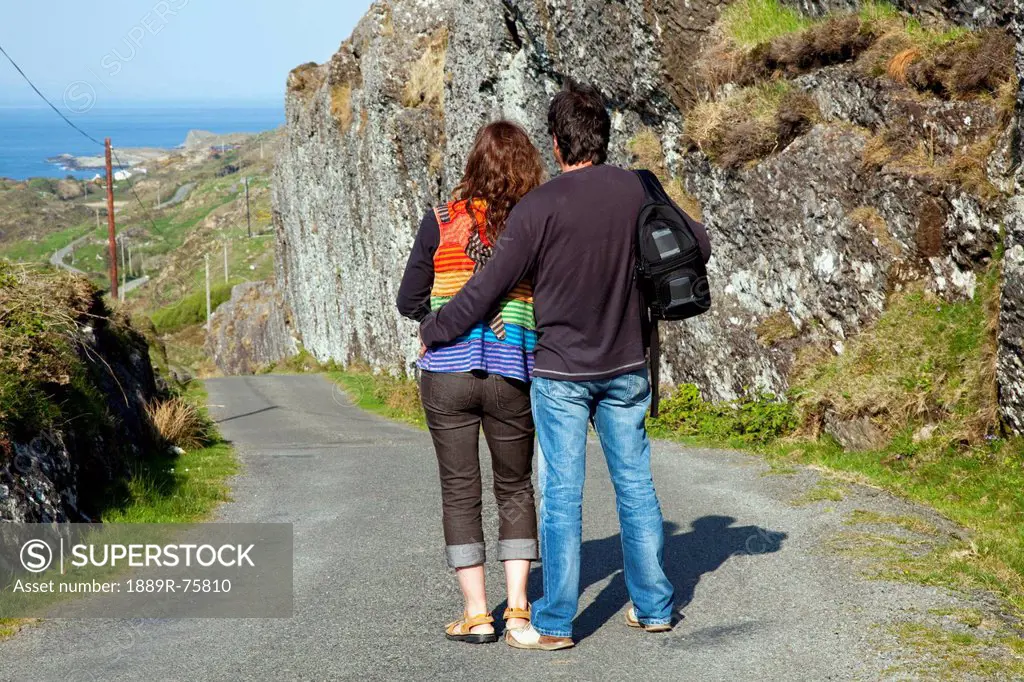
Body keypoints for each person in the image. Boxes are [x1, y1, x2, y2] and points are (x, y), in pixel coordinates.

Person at [420, 80, 711, 650]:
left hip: (559, 373)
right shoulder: (637, 189)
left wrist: (436, 329)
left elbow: (488, 287)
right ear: (603, 136)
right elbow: (695, 242)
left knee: (561, 496)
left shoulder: (539, 207)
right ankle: (653, 606)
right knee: (635, 485)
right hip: (626, 362)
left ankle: (555, 623)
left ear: (556, 144)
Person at [397, 120, 545, 645]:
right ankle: (520, 612)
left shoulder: (440, 221)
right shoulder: (535, 224)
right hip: (513, 374)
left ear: (472, 165)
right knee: (515, 487)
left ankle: (478, 614)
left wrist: (433, 322)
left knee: (460, 491)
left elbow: (408, 299)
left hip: (448, 371)